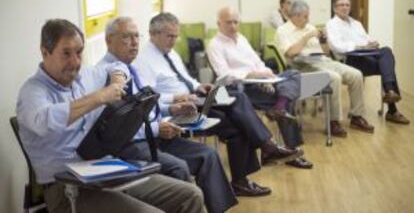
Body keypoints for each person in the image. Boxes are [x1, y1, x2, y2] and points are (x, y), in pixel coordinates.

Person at [16, 19, 205, 213]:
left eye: (79, 52)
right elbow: (44, 121)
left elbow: (116, 65)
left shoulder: (84, 76)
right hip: (67, 187)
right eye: (66, 53)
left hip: (105, 171)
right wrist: (98, 97)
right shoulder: (32, 92)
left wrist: (116, 81)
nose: (75, 62)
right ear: (45, 52)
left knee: (191, 195)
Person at [135, 12, 305, 193]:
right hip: (179, 109)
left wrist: (200, 86)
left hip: (196, 98)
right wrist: (176, 98)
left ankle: (242, 180)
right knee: (238, 101)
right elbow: (148, 97)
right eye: (170, 36)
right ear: (153, 34)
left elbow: (185, 78)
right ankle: (267, 148)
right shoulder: (144, 60)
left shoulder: (171, 53)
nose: (174, 40)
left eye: (176, 36)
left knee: (238, 122)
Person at [96, 16, 238, 213]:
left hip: (155, 134)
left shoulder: (131, 67)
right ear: (109, 40)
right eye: (127, 37)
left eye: (137, 36)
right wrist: (157, 128)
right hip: (132, 144)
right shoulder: (106, 75)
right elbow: (121, 125)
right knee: (178, 167)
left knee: (209, 155)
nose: (135, 42)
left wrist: (171, 109)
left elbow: (145, 105)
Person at [207, 7, 314, 169]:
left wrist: (266, 76)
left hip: (260, 83)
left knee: (293, 74)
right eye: (229, 22)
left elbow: (258, 62)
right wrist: (253, 75)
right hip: (237, 89)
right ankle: (289, 147)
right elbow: (224, 75)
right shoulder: (214, 45)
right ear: (218, 23)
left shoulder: (241, 38)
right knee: (287, 97)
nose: (233, 26)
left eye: (236, 22)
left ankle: (279, 108)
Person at [276, 0, 375, 137]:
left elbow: (325, 51)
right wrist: (306, 37)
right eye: (305, 16)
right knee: (333, 77)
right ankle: (333, 122)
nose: (308, 19)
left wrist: (324, 41)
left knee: (356, 74)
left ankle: (357, 116)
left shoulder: (310, 26)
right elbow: (291, 52)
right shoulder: (283, 31)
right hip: (302, 67)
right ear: (296, 16)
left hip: (323, 61)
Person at [326, 0, 409, 125]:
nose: (345, 7)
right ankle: (392, 108)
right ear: (335, 8)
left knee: (386, 51)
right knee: (387, 66)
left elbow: (366, 39)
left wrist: (371, 43)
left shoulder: (356, 23)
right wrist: (360, 46)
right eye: (341, 5)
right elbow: (337, 46)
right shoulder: (331, 24)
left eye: (347, 5)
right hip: (349, 60)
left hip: (365, 56)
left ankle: (390, 92)